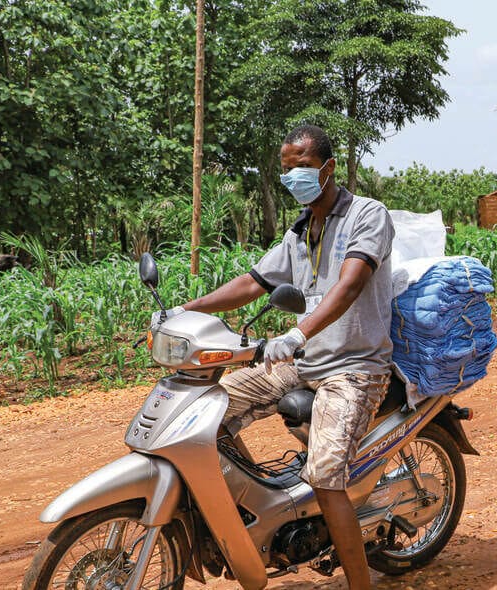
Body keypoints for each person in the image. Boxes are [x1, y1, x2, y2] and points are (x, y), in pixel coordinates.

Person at [176, 124, 394, 590]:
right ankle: (254, 516)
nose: (293, 176)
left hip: (354, 369)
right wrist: (185, 310)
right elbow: (253, 283)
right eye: (287, 169)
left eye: (303, 167)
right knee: (206, 410)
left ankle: (360, 585)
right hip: (305, 362)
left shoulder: (366, 215)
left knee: (324, 474)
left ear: (328, 168)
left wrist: (296, 333)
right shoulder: (299, 232)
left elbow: (350, 284)